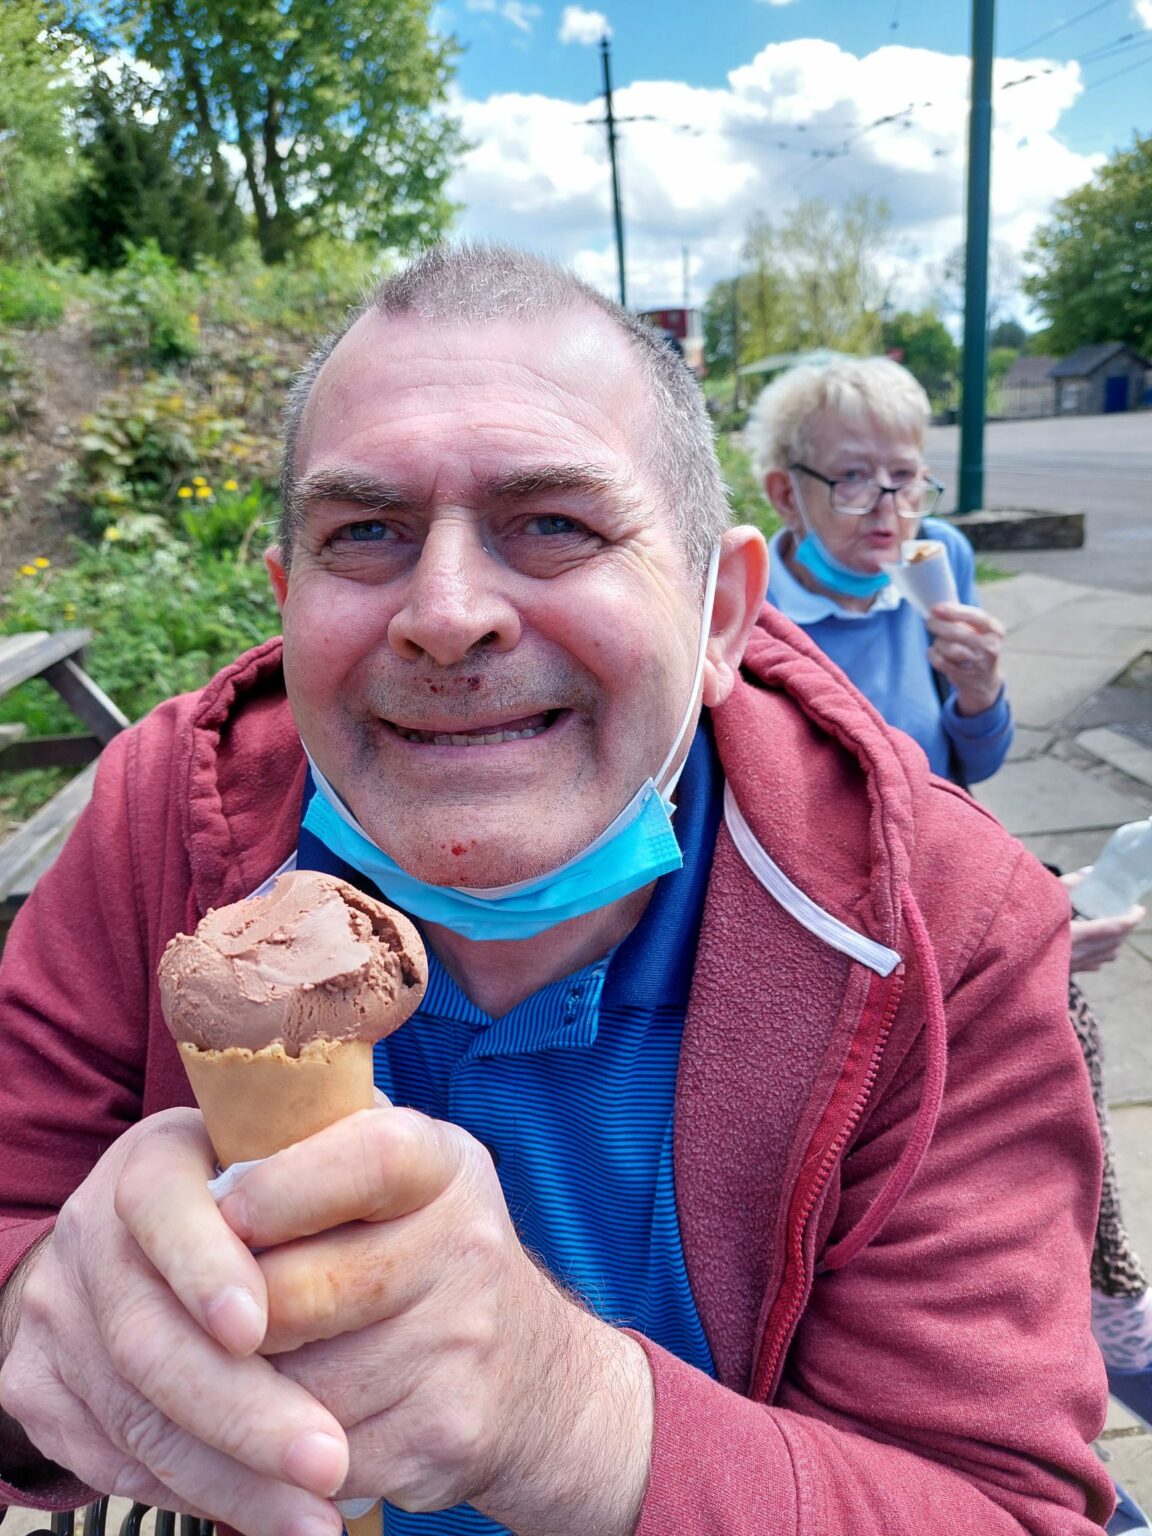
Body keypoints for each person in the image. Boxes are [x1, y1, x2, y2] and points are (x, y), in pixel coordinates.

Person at [0, 246, 1114, 1536]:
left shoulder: (944, 921)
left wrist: (563, 1414)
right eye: (365, 533)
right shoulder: (165, 821)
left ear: (721, 614)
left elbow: (1002, 1506)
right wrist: (44, 1315)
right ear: (289, 604)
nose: (445, 614)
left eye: (555, 525)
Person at [749, 352, 1152, 1399]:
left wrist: (980, 696)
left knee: (1047, 1087)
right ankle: (1049, 1356)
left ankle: (1091, 1326)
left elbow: (973, 764)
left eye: (907, 477)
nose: (890, 509)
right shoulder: (754, 619)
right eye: (854, 479)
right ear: (785, 490)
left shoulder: (943, 561)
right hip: (836, 936)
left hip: (952, 895)